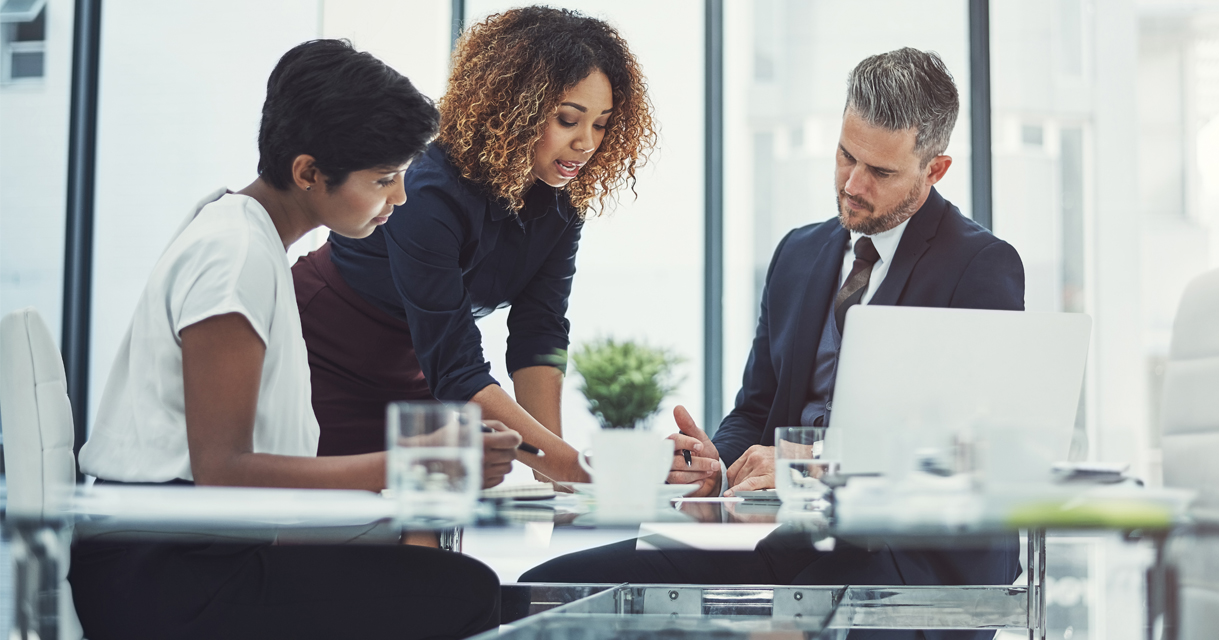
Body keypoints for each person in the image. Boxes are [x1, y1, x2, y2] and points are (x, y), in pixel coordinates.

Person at [522, 48, 1023, 640]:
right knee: (544, 595)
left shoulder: (981, 265)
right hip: (796, 543)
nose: (853, 184)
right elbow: (758, 409)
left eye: (881, 173)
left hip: (913, 563)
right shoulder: (798, 254)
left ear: (934, 170)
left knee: (746, 628)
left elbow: (976, 451)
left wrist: (812, 465)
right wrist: (717, 464)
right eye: (845, 156)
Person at [71, 40, 519, 640]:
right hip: (167, 576)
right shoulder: (235, 256)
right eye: (384, 178)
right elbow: (223, 469)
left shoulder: (242, 234)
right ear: (308, 172)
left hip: (190, 553)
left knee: (435, 572)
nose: (400, 199)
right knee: (462, 592)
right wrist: (415, 463)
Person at [292, 6, 657, 483]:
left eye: (602, 123)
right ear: (514, 108)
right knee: (337, 536)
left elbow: (539, 333)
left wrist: (559, 479)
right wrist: (578, 470)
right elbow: (458, 370)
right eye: (568, 119)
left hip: (427, 374)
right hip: (328, 355)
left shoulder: (562, 200)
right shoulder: (427, 190)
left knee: (428, 540)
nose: (587, 143)